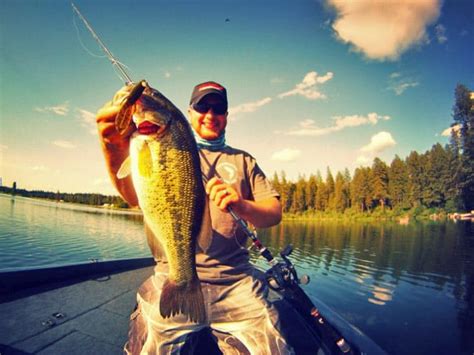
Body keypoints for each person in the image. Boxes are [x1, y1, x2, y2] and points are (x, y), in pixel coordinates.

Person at [96, 81, 293, 354]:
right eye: (202, 107)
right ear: (189, 112)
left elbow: (273, 212)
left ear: (226, 116)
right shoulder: (164, 143)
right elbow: (132, 196)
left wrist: (241, 205)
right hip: (170, 278)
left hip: (236, 282)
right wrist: (110, 143)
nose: (210, 114)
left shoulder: (244, 161)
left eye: (218, 108)